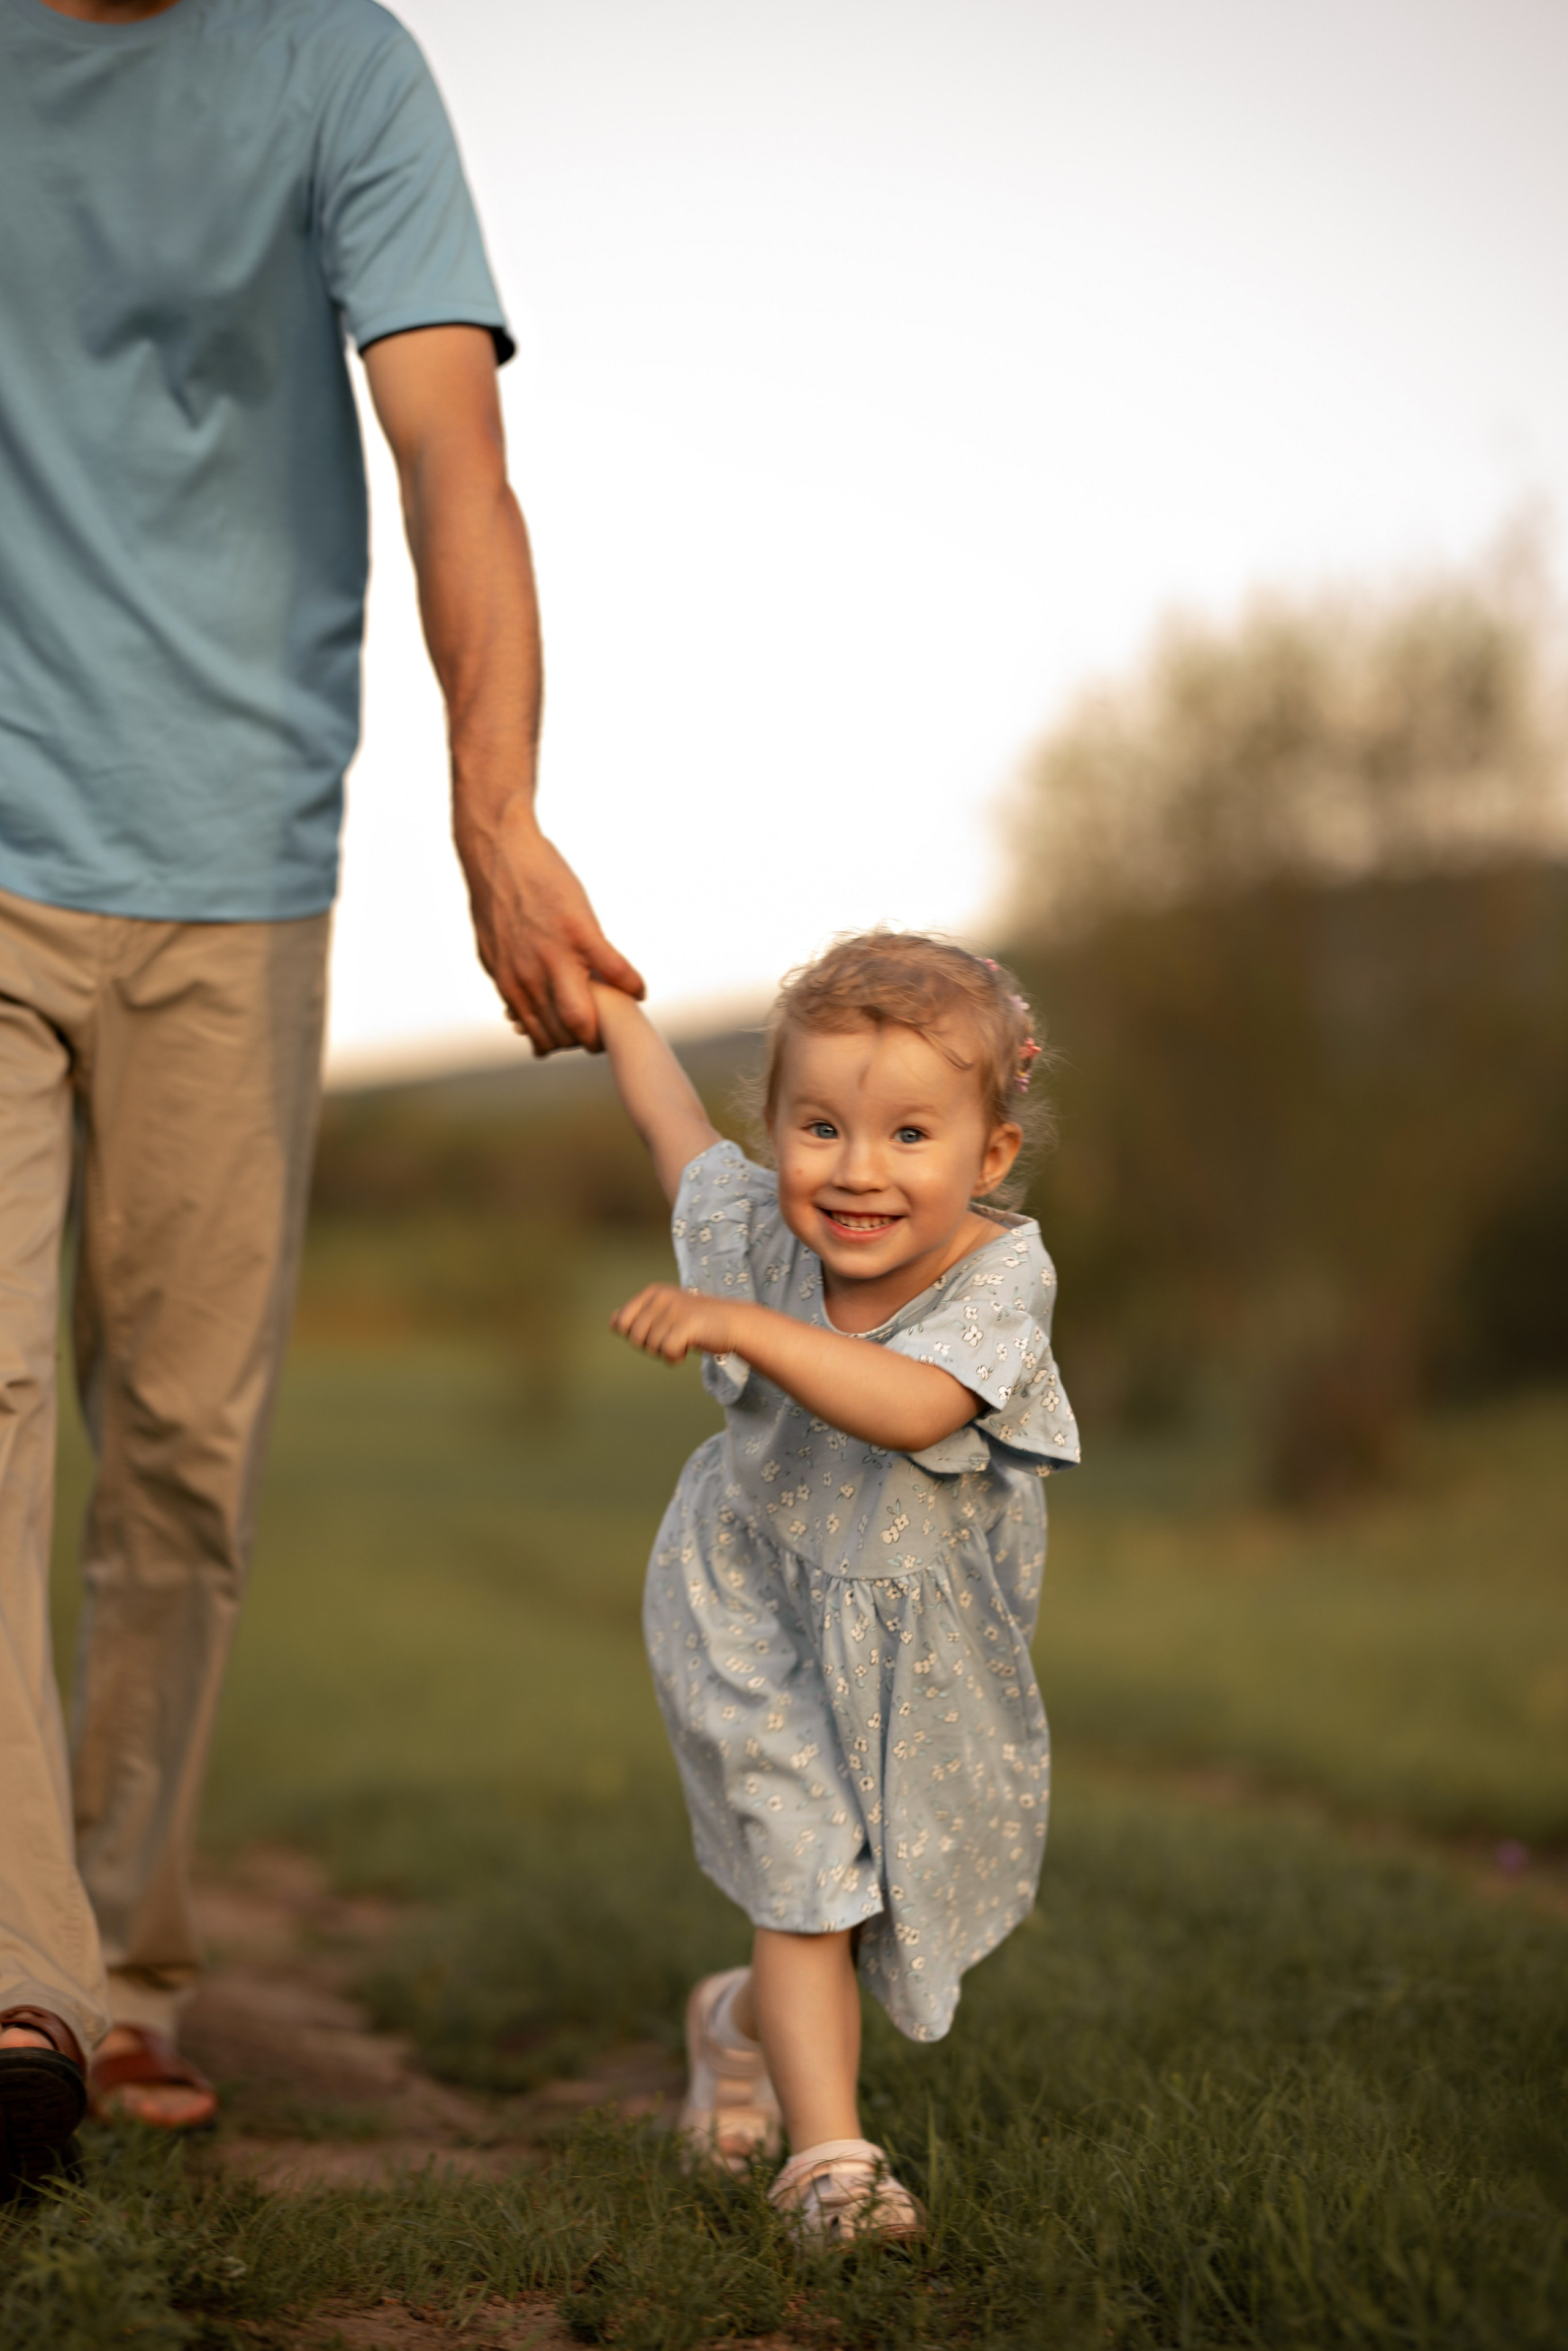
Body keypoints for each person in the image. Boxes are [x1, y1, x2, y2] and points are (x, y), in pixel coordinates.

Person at [0, 0, 639, 2194]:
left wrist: (497, 810)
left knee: (181, 1441)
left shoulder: (336, 65)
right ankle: (27, 1987)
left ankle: (126, 1963)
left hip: (234, 854)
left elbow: (453, 452)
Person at [590, 932, 1080, 2243]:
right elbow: (665, 1118)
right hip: (746, 1603)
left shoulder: (997, 1276)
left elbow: (910, 1404)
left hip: (923, 1641)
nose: (856, 1169)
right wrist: (607, 1002)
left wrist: (745, 1328)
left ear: (987, 1154)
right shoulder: (756, 1229)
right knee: (808, 1873)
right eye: (817, 1125)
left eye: (908, 1132)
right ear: (778, 1129)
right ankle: (830, 2165)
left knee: (863, 1905)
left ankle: (731, 2025)